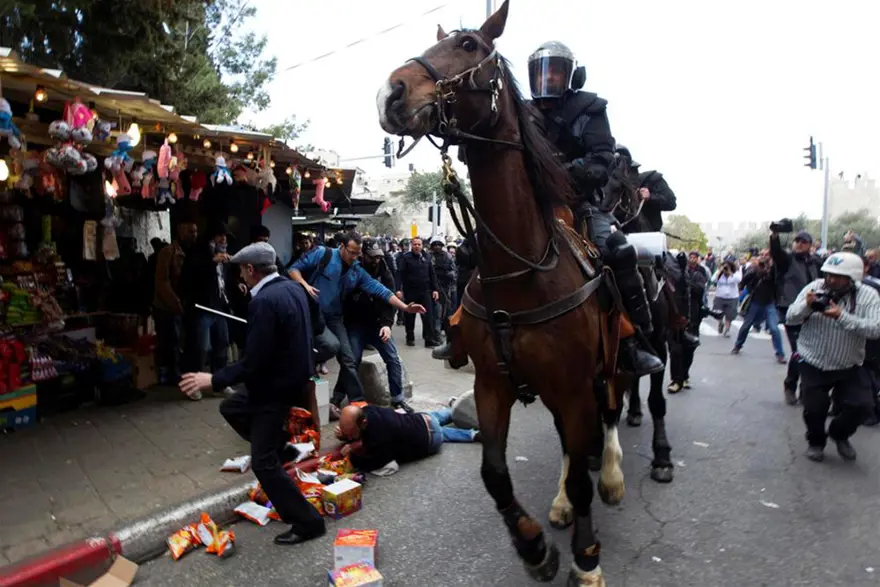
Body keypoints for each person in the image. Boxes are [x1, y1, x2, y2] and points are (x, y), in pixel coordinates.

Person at [528, 41, 662, 376]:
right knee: (477, 246)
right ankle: (462, 328)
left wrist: (563, 173)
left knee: (616, 251)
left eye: (556, 71)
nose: (549, 79)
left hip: (580, 201)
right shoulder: (524, 112)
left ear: (571, 76)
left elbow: (602, 160)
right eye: (543, 72)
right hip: (533, 202)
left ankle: (635, 341)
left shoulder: (589, 109)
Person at [179, 242, 326, 545]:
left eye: (241, 272)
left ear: (250, 269)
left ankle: (308, 521)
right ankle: (283, 447)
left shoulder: (264, 302)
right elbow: (314, 323)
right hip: (291, 380)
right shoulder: (292, 289)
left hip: (274, 388)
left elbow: (253, 362)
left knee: (262, 462)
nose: (240, 279)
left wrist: (213, 378)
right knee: (232, 408)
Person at [289, 232, 426, 417]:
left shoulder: (358, 272)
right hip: (312, 313)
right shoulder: (323, 254)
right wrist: (304, 285)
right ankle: (308, 372)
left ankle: (357, 401)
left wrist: (405, 308)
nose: (355, 257)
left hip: (336, 318)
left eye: (358, 254)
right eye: (352, 252)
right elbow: (293, 269)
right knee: (323, 349)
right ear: (342, 247)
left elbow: (383, 291)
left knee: (346, 356)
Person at [785, 252, 880, 462]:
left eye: (838, 276)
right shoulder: (814, 288)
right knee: (814, 408)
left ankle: (839, 434)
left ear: (853, 277)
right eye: (829, 274)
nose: (831, 280)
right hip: (813, 360)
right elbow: (790, 317)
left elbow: (876, 328)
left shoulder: (869, 296)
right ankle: (816, 442)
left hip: (850, 363)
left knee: (863, 406)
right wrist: (806, 307)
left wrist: (841, 316)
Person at [341, 240, 412, 413]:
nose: (376, 261)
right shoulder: (353, 271)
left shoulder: (385, 272)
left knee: (393, 358)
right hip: (355, 324)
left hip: (378, 324)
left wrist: (387, 324)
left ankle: (397, 399)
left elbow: (389, 300)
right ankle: (341, 395)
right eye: (372, 257)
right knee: (352, 359)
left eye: (379, 257)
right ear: (363, 255)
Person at [335, 404, 479, 473]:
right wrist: (346, 436)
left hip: (429, 440)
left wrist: (352, 457)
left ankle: (472, 434)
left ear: (363, 423)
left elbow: (379, 463)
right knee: (436, 416)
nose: (349, 437)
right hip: (424, 419)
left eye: (351, 433)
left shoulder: (378, 439)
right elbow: (362, 433)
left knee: (442, 433)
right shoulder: (367, 410)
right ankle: (460, 407)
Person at [770, 229, 820, 405]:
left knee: (811, 352)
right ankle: (791, 386)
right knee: (799, 351)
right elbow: (776, 252)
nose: (799, 243)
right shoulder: (787, 260)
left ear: (810, 245)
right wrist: (775, 236)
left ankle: (806, 390)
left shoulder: (816, 262)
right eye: (797, 240)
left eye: (803, 241)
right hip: (791, 310)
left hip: (812, 310)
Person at [153, 220, 197, 384]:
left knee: (180, 340)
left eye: (195, 232)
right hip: (166, 304)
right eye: (190, 231)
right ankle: (169, 374)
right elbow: (162, 281)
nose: (194, 235)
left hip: (183, 303)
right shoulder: (168, 252)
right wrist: (175, 302)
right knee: (169, 340)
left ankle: (178, 371)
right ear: (180, 231)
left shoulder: (193, 252)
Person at [731, 252, 786, 363]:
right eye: (763, 256)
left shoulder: (775, 271)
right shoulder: (755, 270)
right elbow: (744, 281)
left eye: (767, 256)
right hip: (755, 302)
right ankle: (738, 345)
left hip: (770, 303)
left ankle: (780, 354)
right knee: (746, 325)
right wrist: (740, 289)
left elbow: (780, 281)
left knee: (774, 329)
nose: (765, 258)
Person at [668, 252, 708, 393]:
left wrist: (687, 280)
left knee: (689, 348)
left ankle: (684, 375)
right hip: (677, 318)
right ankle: (676, 379)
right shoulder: (673, 276)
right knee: (675, 350)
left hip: (693, 317)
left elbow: (700, 290)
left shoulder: (699, 273)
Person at [395, 237, 440, 347]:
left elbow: (432, 274)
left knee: (428, 316)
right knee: (410, 315)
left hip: (425, 291)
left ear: (422, 246)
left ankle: (429, 340)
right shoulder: (406, 258)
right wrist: (398, 289)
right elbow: (399, 274)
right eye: (415, 244)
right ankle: (410, 337)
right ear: (412, 245)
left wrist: (435, 289)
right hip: (410, 291)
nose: (417, 246)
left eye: (419, 244)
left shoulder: (427, 257)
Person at [429, 238, 457, 341]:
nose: (437, 246)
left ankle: (444, 330)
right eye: (435, 245)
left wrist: (448, 274)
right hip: (432, 288)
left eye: (439, 245)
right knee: (436, 312)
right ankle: (435, 334)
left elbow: (454, 272)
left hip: (446, 288)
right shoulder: (429, 257)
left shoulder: (448, 257)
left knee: (446, 312)